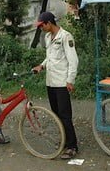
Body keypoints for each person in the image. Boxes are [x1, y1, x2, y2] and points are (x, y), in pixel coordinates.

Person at [32, 11, 79, 159]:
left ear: (49, 23)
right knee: (56, 114)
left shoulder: (65, 36)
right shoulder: (47, 37)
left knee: (65, 115)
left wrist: (70, 80)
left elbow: (73, 60)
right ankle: (64, 141)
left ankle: (72, 146)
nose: (41, 28)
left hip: (62, 82)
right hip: (51, 82)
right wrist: (42, 65)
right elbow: (50, 58)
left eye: (42, 25)